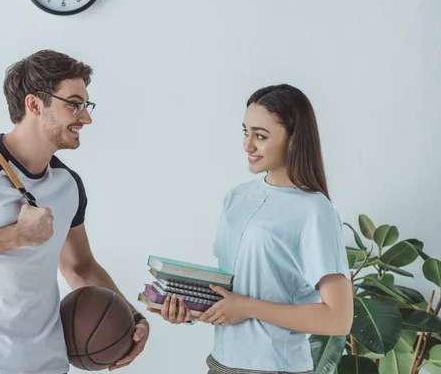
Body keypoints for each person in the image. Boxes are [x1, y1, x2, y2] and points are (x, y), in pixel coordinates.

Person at [0, 50, 149, 374]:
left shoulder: (68, 184)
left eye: (86, 105)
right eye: (74, 104)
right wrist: (17, 235)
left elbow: (80, 267)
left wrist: (134, 319)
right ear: (35, 104)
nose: (86, 118)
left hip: (47, 364)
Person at [148, 84, 353, 374]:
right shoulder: (237, 198)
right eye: (245, 132)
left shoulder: (315, 210)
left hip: (275, 367)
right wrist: (190, 309)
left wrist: (248, 308)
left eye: (261, 136)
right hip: (220, 364)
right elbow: (235, 290)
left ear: (293, 140)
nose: (248, 146)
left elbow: (338, 318)